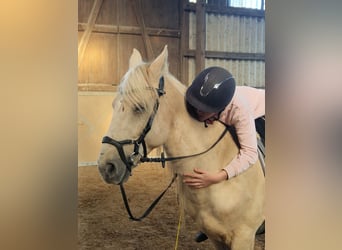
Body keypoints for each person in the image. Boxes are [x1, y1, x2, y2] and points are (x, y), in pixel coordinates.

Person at [183, 66, 265, 242]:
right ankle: (214, 222)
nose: (198, 110)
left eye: (204, 108)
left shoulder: (239, 110)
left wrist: (218, 177)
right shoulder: (197, 96)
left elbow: (250, 153)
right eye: (197, 105)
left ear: (218, 108)